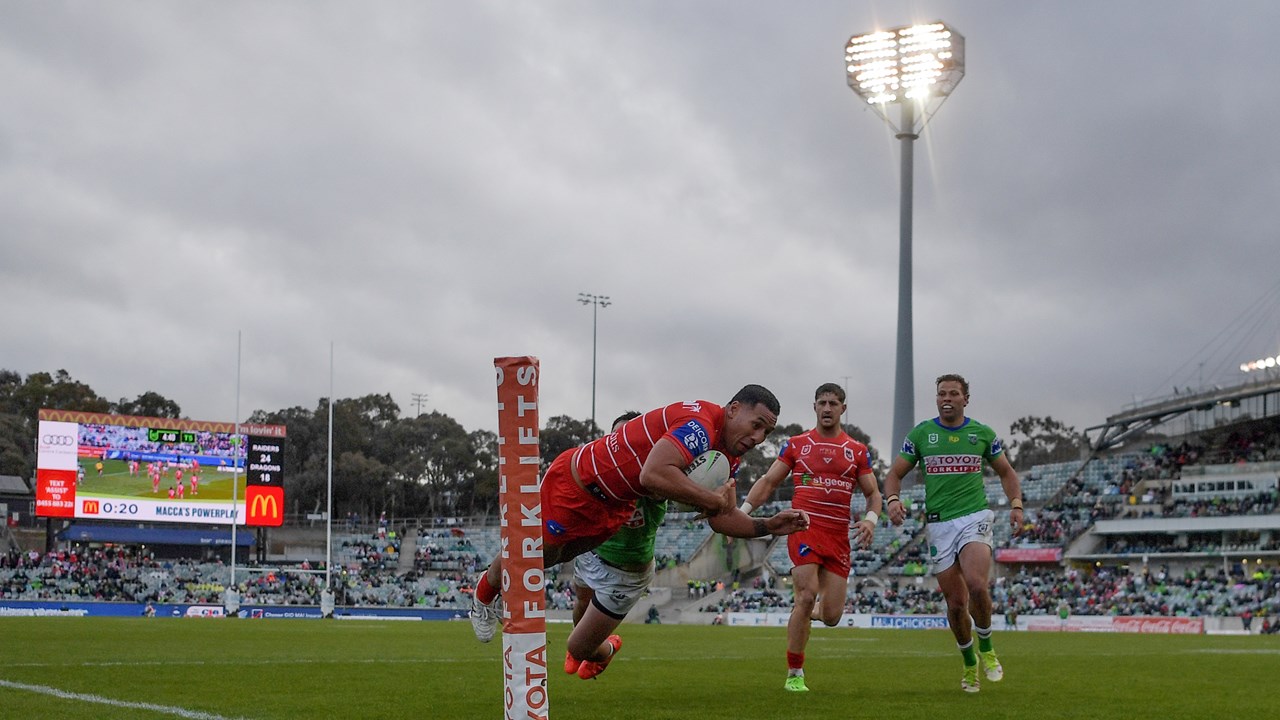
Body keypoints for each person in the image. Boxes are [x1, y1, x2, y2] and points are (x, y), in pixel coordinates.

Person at [470, 384, 811, 676]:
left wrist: (767, 525)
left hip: (614, 506)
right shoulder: (699, 425)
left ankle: (599, 648)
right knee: (534, 551)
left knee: (566, 606)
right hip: (578, 485)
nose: (758, 437)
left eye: (766, 432)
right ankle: (483, 596)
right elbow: (654, 475)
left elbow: (718, 517)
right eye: (756, 425)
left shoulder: (726, 454)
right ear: (734, 409)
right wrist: (712, 499)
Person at [883, 373, 1023, 694]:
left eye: (953, 394)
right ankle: (969, 661)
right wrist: (893, 500)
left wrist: (1016, 505)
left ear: (965, 399)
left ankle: (987, 648)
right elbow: (894, 474)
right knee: (956, 604)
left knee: (976, 582)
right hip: (939, 524)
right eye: (941, 394)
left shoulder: (982, 434)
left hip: (974, 516)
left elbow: (1007, 472)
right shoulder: (922, 434)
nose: (946, 398)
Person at [739, 382, 883, 692]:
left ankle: (809, 615)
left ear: (843, 408)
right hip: (803, 528)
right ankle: (795, 672)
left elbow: (873, 494)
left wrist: (870, 520)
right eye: (822, 403)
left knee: (831, 616)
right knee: (804, 595)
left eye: (833, 403)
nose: (827, 408)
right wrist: (743, 512)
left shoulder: (856, 451)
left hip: (838, 538)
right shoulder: (796, 444)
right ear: (814, 407)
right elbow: (767, 481)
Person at [563, 411, 664, 680]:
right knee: (581, 603)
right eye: (618, 439)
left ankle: (605, 650)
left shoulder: (652, 479)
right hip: (591, 553)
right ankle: (582, 650)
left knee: (580, 644)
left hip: (626, 574)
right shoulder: (600, 472)